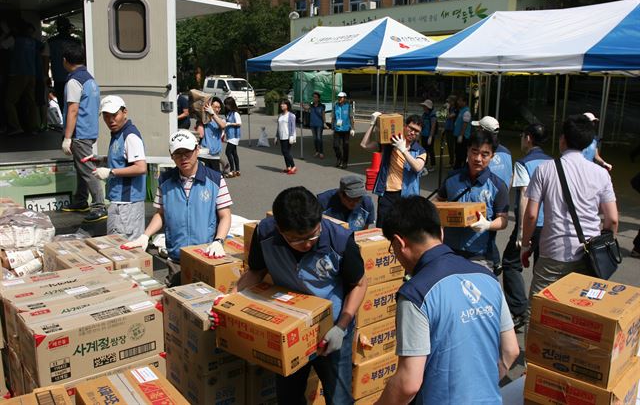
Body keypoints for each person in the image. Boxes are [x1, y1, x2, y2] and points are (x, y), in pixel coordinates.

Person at [374, 196, 519, 405]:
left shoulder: (416, 293)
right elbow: (511, 351)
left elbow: (408, 384)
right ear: (441, 232)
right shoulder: (488, 278)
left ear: (399, 243)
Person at [235, 186, 367, 404]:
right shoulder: (265, 234)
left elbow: (360, 284)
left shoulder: (340, 241)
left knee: (339, 397)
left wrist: (342, 327)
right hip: (290, 329)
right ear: (280, 229)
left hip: (332, 328)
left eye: (313, 235)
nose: (306, 244)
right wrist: (229, 301)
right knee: (289, 396)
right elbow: (256, 272)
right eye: (297, 239)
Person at [521, 114, 618, 311]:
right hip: (588, 255)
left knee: (539, 310)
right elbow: (613, 219)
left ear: (563, 139)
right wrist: (605, 244)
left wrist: (525, 244)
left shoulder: (545, 170)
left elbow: (531, 214)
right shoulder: (601, 174)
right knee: (578, 313)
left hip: (552, 253)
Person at [123, 129, 232, 286]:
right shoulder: (165, 180)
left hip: (205, 256)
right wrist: (145, 236)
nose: (183, 158)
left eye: (187, 152)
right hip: (176, 258)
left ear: (197, 149)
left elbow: (225, 215)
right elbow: (161, 214)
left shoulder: (214, 179)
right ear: (171, 155)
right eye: (178, 153)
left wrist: (218, 241)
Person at [500, 123, 551, 329]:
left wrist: (522, 231)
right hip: (550, 223)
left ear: (528, 138)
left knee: (511, 263)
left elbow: (523, 196)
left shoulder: (524, 163)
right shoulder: (553, 162)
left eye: (522, 135)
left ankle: (520, 310)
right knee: (542, 268)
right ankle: (543, 313)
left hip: (532, 222)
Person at [436, 130, 509, 271]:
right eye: (474, 152)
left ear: (492, 156)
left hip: (480, 255)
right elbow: (438, 201)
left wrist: (487, 225)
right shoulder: (452, 178)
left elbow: (503, 220)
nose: (478, 158)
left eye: (484, 154)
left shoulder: (498, 186)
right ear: (467, 151)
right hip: (448, 250)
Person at [60, 41, 106, 222]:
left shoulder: (74, 81)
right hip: (90, 130)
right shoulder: (89, 79)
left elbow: (73, 110)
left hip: (80, 133)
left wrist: (67, 137)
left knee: (87, 170)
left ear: (65, 60)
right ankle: (80, 200)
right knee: (81, 167)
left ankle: (99, 205)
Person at [93, 95, 147, 240]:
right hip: (118, 200)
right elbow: (124, 159)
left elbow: (141, 167)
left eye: (114, 115)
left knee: (126, 248)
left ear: (124, 112)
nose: (110, 120)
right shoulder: (118, 134)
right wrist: (103, 160)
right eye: (106, 116)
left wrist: (111, 172)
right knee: (116, 248)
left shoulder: (130, 136)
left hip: (128, 203)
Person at [361, 114, 426, 228]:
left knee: (403, 230)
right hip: (387, 193)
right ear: (405, 126)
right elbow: (364, 145)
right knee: (382, 228)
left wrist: (404, 150)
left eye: (417, 131)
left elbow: (418, 167)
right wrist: (372, 124)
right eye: (411, 128)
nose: (413, 132)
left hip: (407, 196)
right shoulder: (390, 144)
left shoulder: (420, 150)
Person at [4, 20, 39, 135]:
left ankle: (15, 126)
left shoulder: (14, 40)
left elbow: (2, 45)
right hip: (31, 74)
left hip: (17, 73)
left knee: (9, 101)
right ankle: (33, 127)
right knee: (31, 102)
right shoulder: (33, 42)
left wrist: (7, 33)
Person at [472, 116, 512, 189]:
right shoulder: (507, 153)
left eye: (478, 128)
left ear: (482, 130)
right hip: (502, 196)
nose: (476, 130)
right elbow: (510, 177)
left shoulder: (477, 153)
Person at [48, 17, 79, 105]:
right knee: (74, 104)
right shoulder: (76, 42)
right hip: (75, 77)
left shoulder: (51, 42)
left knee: (62, 105)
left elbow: (45, 60)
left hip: (58, 78)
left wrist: (46, 76)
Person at [196, 96, 225, 171]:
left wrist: (212, 113)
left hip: (215, 156)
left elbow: (222, 125)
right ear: (210, 107)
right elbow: (200, 134)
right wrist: (200, 121)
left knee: (215, 179)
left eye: (219, 107)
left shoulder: (221, 120)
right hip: (203, 154)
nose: (217, 109)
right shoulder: (204, 120)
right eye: (215, 107)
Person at [332, 91, 355, 169]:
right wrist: (332, 125)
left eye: (341, 97)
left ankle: (345, 162)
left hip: (346, 129)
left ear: (344, 98)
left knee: (346, 145)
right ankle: (339, 158)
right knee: (335, 146)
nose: (339, 99)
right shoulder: (335, 106)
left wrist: (353, 128)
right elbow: (333, 117)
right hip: (337, 128)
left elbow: (351, 117)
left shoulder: (348, 106)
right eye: (339, 97)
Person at [275, 99, 297, 175]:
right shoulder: (280, 115)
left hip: (287, 136)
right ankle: (288, 167)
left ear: (287, 105)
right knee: (284, 152)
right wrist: (276, 136)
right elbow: (278, 127)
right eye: (281, 104)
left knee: (286, 152)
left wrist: (292, 136)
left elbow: (293, 127)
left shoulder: (291, 115)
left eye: (284, 104)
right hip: (281, 136)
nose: (282, 105)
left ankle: (293, 166)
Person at [223, 96, 242, 178]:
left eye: (227, 104)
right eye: (225, 104)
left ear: (231, 104)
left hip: (234, 136)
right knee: (234, 153)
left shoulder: (235, 113)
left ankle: (232, 170)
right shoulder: (229, 113)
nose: (226, 106)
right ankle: (237, 170)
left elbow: (239, 123)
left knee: (228, 152)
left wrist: (229, 123)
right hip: (230, 135)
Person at [452, 95, 472, 169]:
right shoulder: (461, 110)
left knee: (462, 153)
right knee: (457, 152)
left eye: (460, 101)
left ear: (464, 102)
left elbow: (465, 125)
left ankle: (461, 168)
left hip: (463, 137)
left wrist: (461, 135)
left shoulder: (466, 112)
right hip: (458, 135)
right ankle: (457, 167)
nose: (458, 102)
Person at [419, 99, 437, 172]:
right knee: (424, 150)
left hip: (429, 136)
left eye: (424, 106)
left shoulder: (432, 116)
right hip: (424, 135)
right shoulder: (424, 114)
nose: (423, 107)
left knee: (430, 150)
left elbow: (433, 127)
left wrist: (430, 136)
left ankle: (433, 165)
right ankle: (424, 164)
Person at [309, 91, 326, 159]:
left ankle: (321, 152)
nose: (314, 98)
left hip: (319, 124)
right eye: (313, 97)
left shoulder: (322, 106)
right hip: (312, 124)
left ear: (318, 98)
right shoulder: (311, 105)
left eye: (316, 97)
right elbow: (307, 109)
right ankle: (317, 151)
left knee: (319, 138)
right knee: (315, 139)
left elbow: (323, 115)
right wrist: (302, 106)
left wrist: (324, 123)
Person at [444, 95, 458, 167]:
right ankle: (451, 161)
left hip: (453, 129)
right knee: (449, 146)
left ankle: (453, 162)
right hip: (448, 128)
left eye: (449, 101)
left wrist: (447, 108)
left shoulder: (455, 109)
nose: (448, 102)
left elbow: (448, 116)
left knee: (452, 146)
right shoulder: (450, 108)